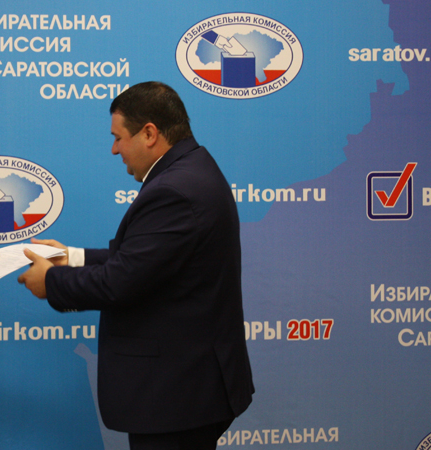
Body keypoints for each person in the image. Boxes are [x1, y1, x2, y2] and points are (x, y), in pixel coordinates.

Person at [18, 81, 254, 450]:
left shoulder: (174, 190)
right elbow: (142, 258)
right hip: (188, 388)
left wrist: (51, 281)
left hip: (177, 395)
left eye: (118, 138)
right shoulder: (191, 169)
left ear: (149, 133)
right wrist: (71, 257)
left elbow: (120, 282)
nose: (114, 150)